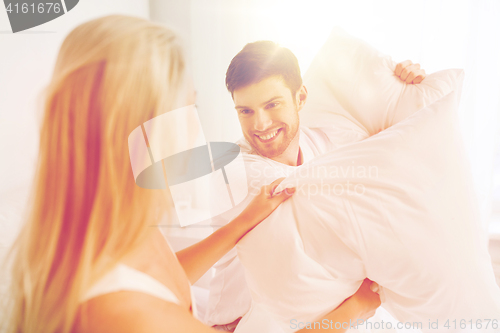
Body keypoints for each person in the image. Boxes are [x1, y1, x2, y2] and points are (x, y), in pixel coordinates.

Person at [5, 15, 381, 333]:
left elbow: (166, 274)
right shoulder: (129, 314)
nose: (195, 130)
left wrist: (241, 225)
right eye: (188, 108)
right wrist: (350, 314)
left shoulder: (108, 230)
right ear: (144, 133)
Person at [205, 41, 426, 330]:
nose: (260, 124)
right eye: (245, 111)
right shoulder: (237, 175)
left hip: (311, 316)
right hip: (238, 324)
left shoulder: (327, 141)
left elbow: (397, 144)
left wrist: (408, 86)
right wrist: (357, 306)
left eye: (272, 104)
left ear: (301, 98)